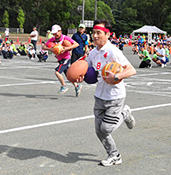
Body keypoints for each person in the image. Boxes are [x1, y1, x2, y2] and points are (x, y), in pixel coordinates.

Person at [77, 19, 136, 166]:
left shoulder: (113, 51)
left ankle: (125, 113)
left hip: (115, 97)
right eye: (94, 33)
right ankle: (114, 155)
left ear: (107, 35)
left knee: (105, 128)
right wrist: (79, 76)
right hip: (99, 96)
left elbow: (131, 70)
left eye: (99, 33)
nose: (95, 36)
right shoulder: (93, 53)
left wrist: (117, 76)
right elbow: (86, 70)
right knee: (99, 131)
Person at [43, 24, 82, 96]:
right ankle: (77, 86)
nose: (55, 34)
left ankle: (64, 86)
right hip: (60, 59)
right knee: (69, 76)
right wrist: (50, 49)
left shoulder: (65, 38)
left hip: (66, 58)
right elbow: (44, 47)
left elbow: (76, 44)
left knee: (57, 72)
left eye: (56, 32)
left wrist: (66, 48)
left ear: (60, 31)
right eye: (54, 33)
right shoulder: (52, 39)